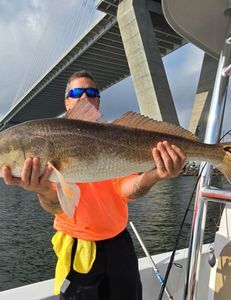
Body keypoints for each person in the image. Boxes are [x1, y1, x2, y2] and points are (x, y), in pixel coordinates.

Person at [1, 70, 187, 300]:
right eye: (76, 92)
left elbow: (128, 189)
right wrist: (41, 189)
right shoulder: (50, 143)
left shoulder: (115, 136)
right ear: (67, 101)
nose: (84, 97)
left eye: (91, 92)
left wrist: (155, 175)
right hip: (79, 250)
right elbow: (59, 208)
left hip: (120, 245)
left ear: (98, 100)